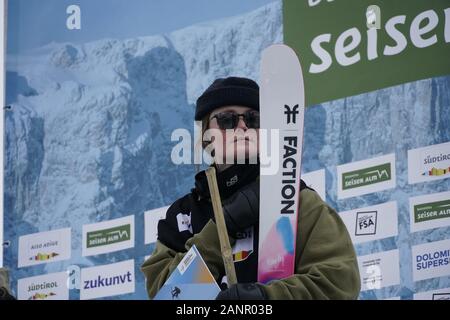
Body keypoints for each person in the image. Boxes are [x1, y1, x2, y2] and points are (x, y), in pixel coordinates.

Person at [141, 76, 361, 300]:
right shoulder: (181, 217)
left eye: (253, 118)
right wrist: (220, 230)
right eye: (227, 119)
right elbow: (166, 296)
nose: (243, 126)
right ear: (206, 136)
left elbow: (340, 282)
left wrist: (264, 299)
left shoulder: (294, 198)